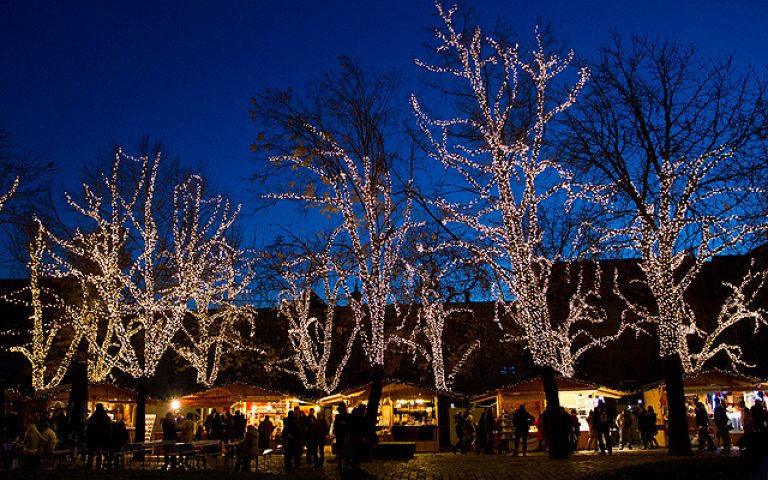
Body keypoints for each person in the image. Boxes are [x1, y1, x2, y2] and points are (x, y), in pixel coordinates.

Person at [85, 403, 111, 470]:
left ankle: (89, 466)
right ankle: (98, 467)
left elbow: (89, 427)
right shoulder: (105, 417)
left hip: (93, 437)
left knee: (91, 452)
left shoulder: (93, 417)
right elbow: (108, 428)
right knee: (99, 452)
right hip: (100, 437)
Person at [332, 403, 350, 471]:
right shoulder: (338, 416)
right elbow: (335, 426)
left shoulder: (347, 416)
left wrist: (344, 425)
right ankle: (340, 465)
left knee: (345, 452)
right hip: (339, 436)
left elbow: (349, 426)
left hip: (344, 436)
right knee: (339, 452)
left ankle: (345, 465)